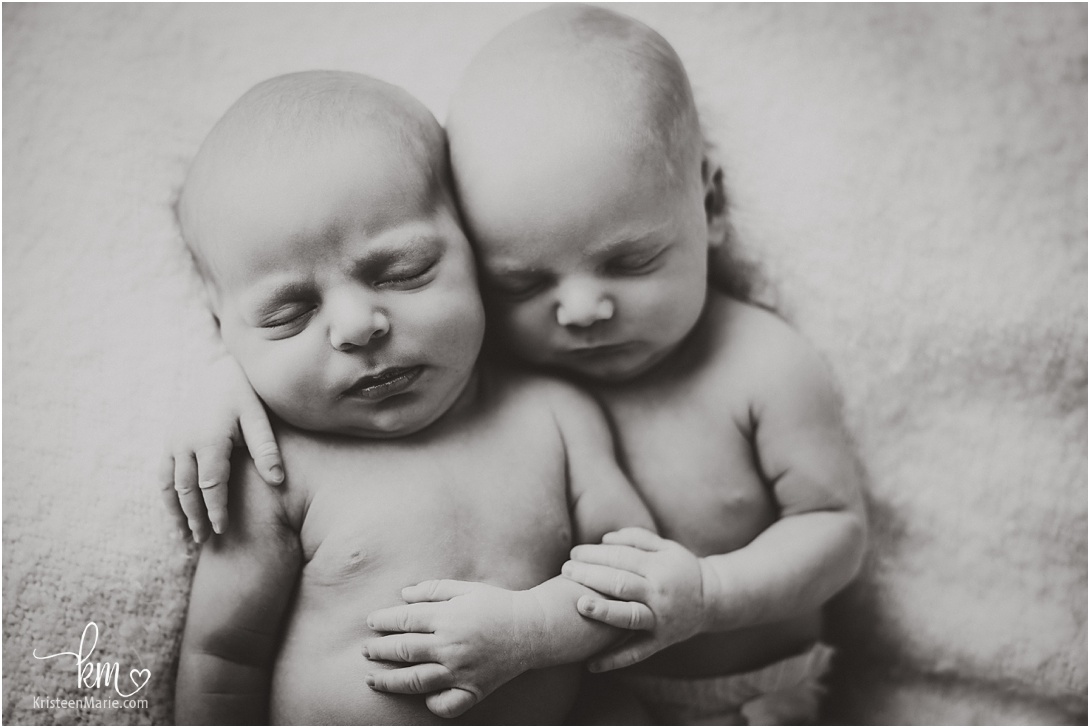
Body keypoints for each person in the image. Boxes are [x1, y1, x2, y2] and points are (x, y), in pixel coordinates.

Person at [165, 5, 869, 724]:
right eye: (523, 283)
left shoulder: (700, 375)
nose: (582, 311)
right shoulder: (332, 433)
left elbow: (823, 530)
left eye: (630, 259)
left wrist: (698, 596)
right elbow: (220, 656)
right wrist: (233, 373)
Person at [169, 69, 656, 725]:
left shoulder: (554, 417)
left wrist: (531, 630)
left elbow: (637, 584)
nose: (356, 326)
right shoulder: (277, 465)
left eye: (401, 271)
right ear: (221, 326)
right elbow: (222, 659)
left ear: (475, 250)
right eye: (288, 312)